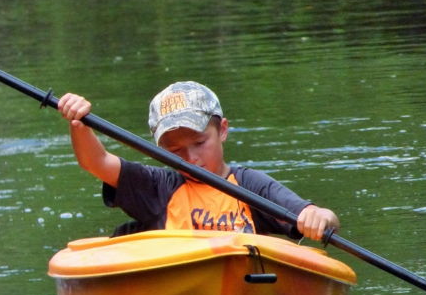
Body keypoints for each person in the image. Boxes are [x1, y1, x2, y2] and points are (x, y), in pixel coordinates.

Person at [58, 81, 339, 241]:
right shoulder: (158, 187)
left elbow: (323, 218)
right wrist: (79, 124)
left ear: (223, 130)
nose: (191, 158)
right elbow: (96, 162)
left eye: (200, 143)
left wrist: (320, 217)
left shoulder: (251, 186)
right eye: (175, 150)